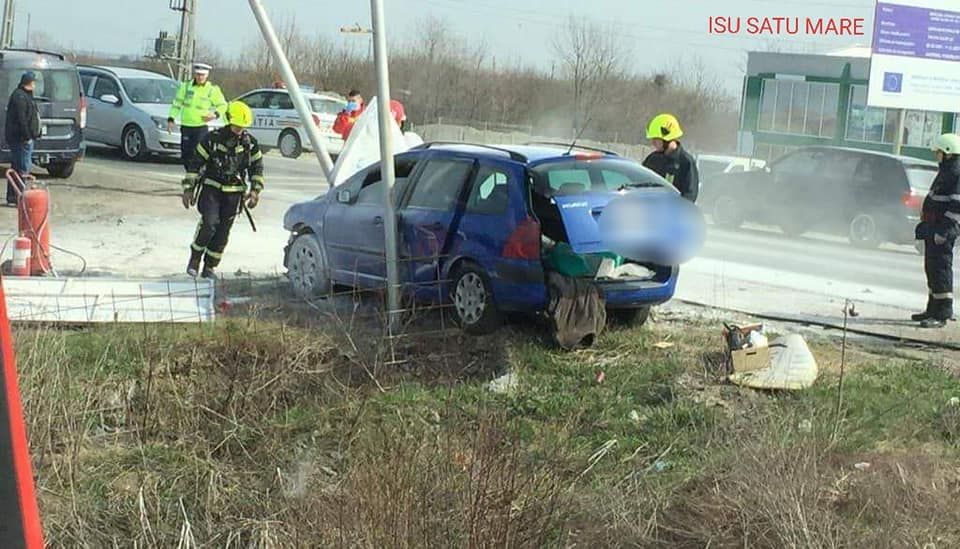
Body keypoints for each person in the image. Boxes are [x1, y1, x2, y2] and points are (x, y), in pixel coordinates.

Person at [181, 101, 264, 279]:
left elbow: (257, 168)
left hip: (234, 194)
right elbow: (195, 163)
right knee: (209, 224)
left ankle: (209, 267)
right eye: (237, 126)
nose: (239, 130)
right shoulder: (212, 139)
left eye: (242, 127)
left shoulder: (250, 144)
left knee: (223, 232)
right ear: (229, 121)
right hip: (212, 190)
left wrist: (255, 190)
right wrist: (188, 188)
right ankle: (195, 260)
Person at [912, 133, 960, 328]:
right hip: (934, 228)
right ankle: (932, 309)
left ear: (948, 153)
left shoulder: (956, 173)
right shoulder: (947, 171)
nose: (936, 155)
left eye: (938, 152)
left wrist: (944, 231)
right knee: (932, 268)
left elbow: (957, 207)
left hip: (942, 230)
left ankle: (942, 313)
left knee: (940, 269)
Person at [168, 63, 227, 172]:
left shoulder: (212, 89)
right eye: (198, 74)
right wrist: (171, 118)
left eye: (202, 75)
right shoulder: (186, 86)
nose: (200, 77)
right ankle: (191, 173)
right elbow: (177, 104)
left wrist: (215, 115)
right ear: (195, 74)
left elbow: (223, 105)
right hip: (186, 126)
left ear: (207, 76)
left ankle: (197, 174)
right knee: (186, 154)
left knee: (198, 154)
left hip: (200, 127)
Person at [642, 113, 699, 203]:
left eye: (656, 139)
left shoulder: (686, 163)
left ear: (667, 139)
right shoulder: (652, 159)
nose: (653, 142)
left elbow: (689, 196)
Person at [4, 71, 41, 205]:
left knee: (17, 167)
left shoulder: (27, 96)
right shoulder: (19, 97)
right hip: (20, 139)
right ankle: (20, 197)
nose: (35, 84)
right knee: (22, 169)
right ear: (29, 82)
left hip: (24, 138)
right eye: (34, 81)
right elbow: (21, 120)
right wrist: (27, 136)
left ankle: (14, 196)